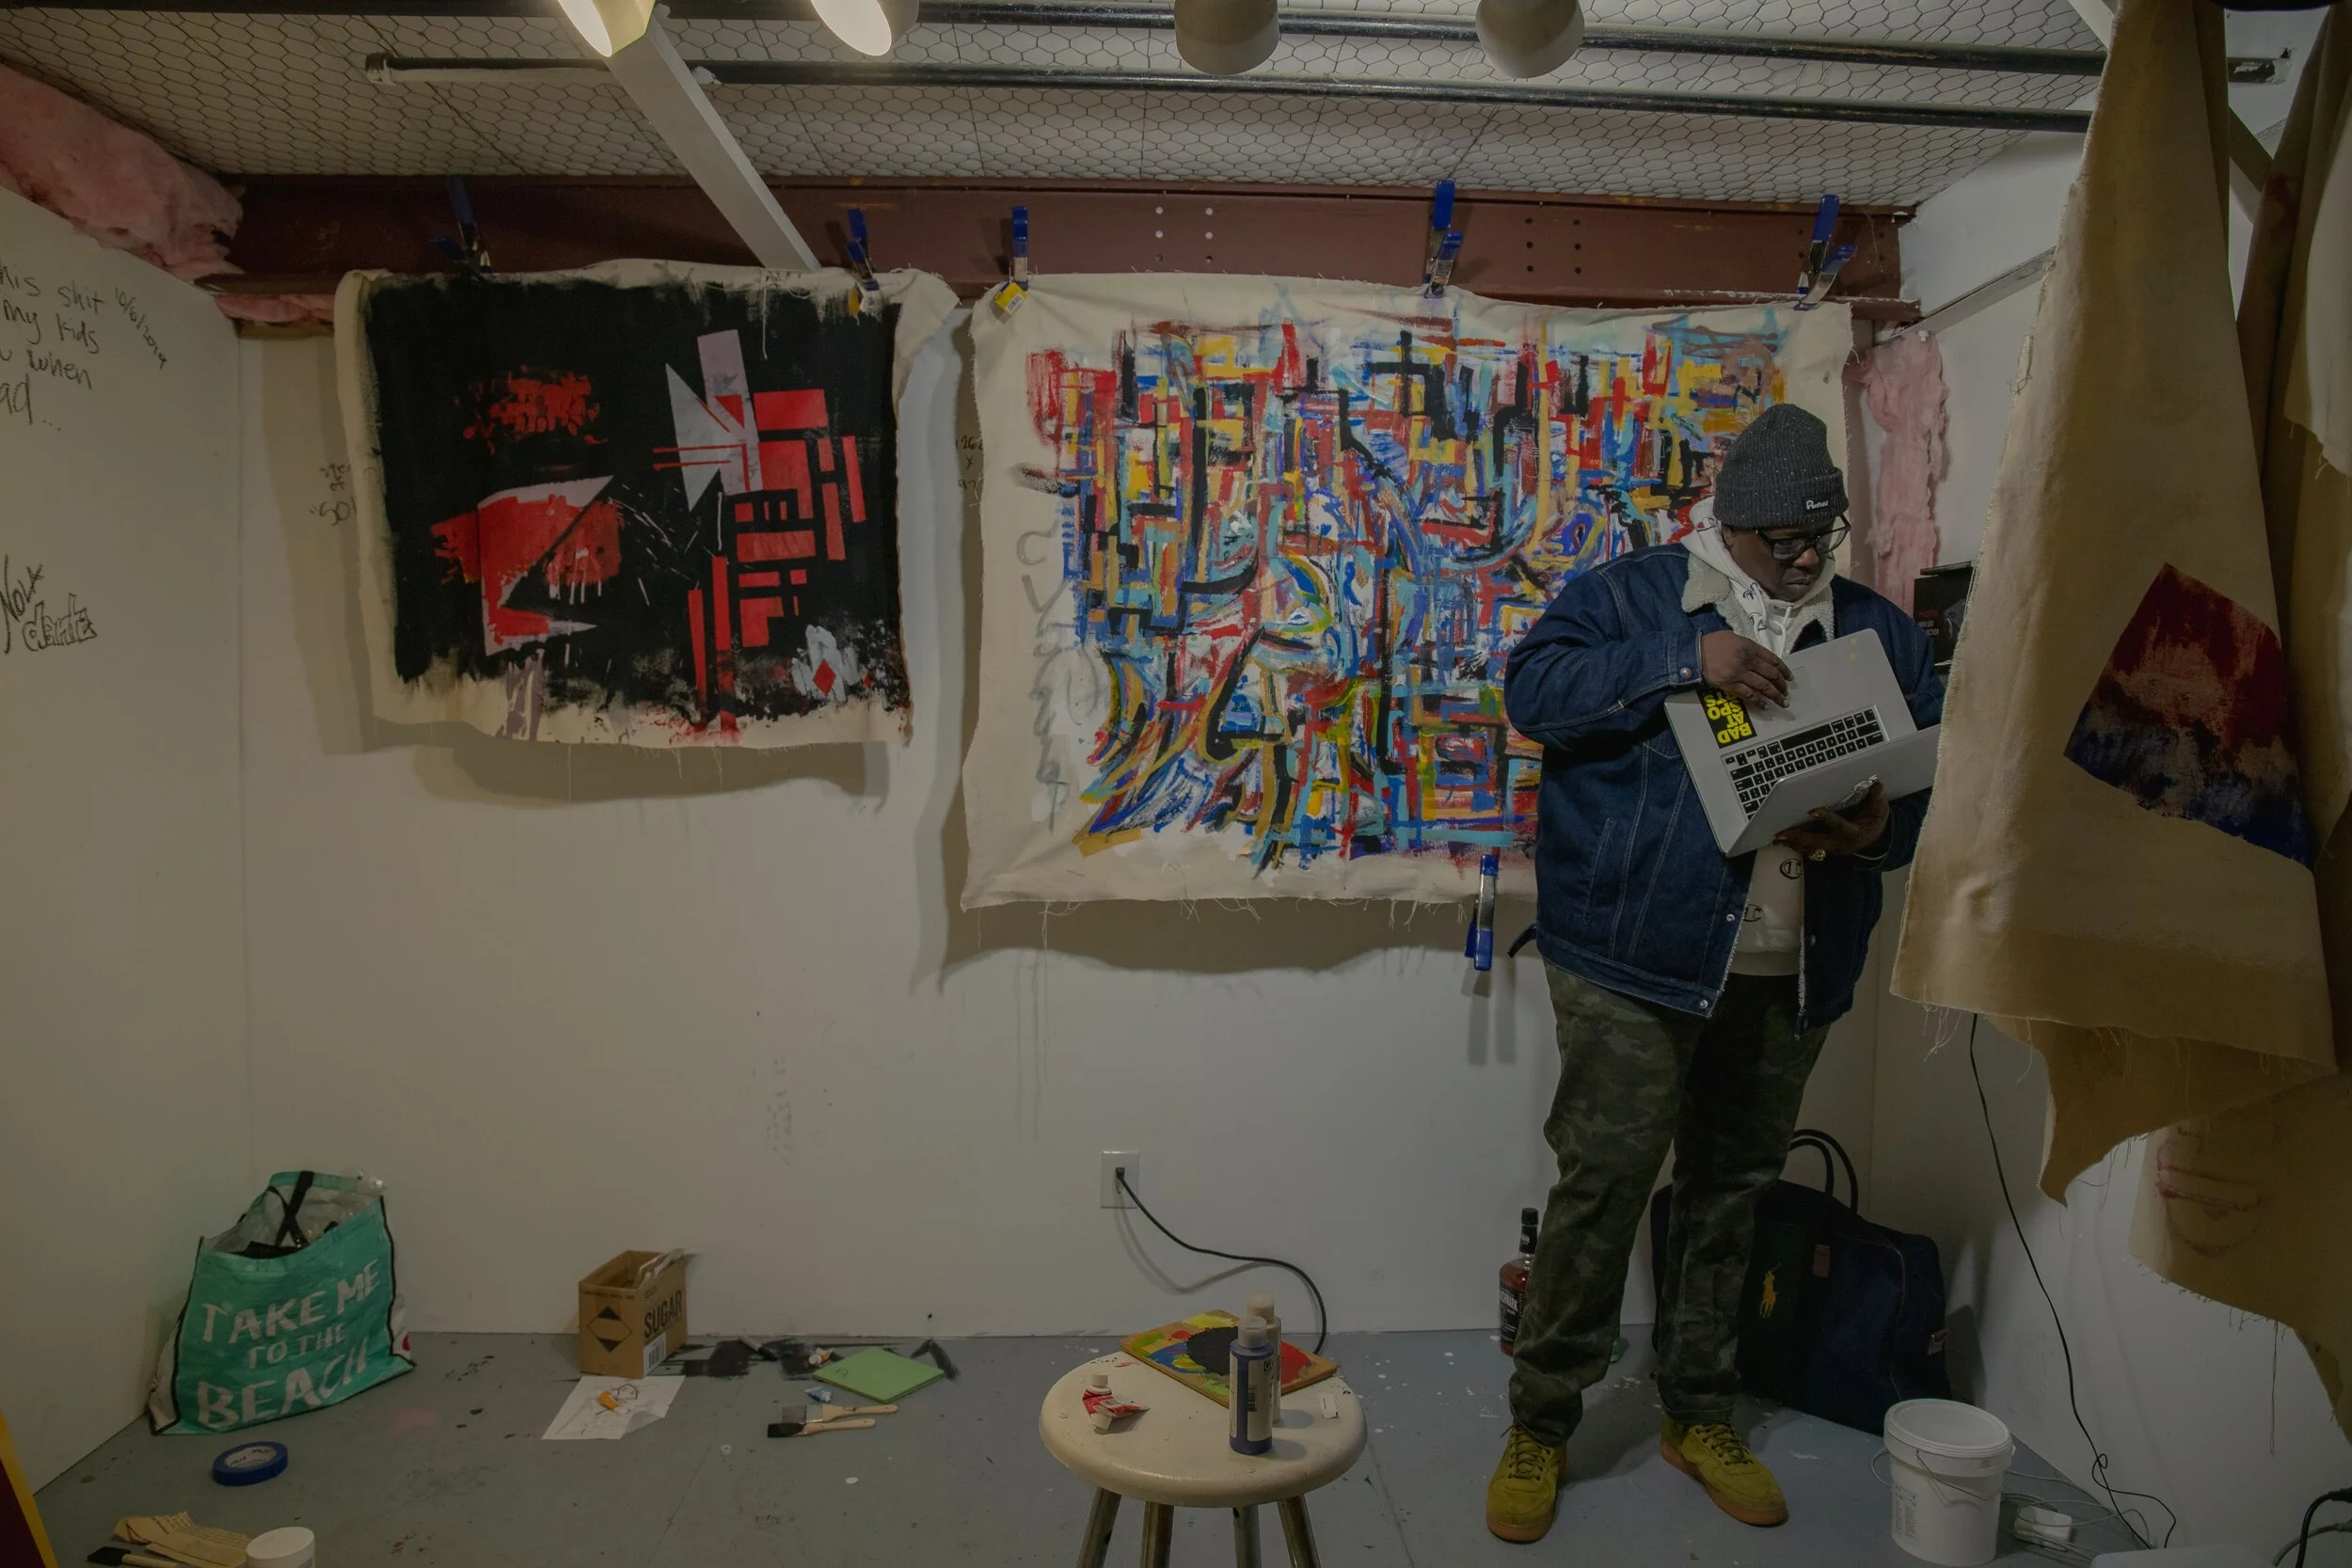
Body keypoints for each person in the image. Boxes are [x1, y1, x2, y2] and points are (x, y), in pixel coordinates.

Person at [1486, 403, 1944, 1544]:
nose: (1800, 559)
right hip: (1632, 958)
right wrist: (1685, 661)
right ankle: (1542, 1419)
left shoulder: (1879, 632)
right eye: (1778, 539)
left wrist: (1878, 828)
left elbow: (1935, 780)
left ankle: (1698, 1410)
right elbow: (1532, 691)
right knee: (1604, 1185)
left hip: (1792, 966)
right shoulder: (1634, 597)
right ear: (1725, 523)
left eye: (1818, 537)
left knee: (1732, 1189)